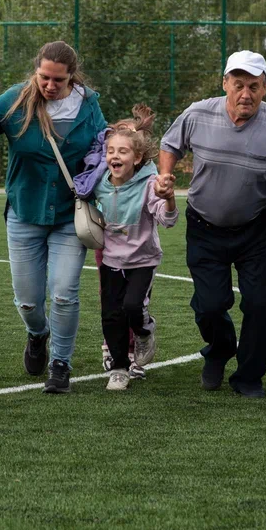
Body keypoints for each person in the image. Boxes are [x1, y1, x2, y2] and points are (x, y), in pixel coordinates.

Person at [160, 50, 266, 399]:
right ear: (225, 84)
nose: (245, 93)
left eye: (253, 86)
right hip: (203, 226)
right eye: (238, 85)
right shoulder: (198, 113)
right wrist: (165, 175)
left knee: (260, 305)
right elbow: (170, 144)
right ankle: (219, 350)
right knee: (210, 305)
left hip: (254, 229)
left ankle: (248, 377)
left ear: (264, 88)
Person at [0, 41, 106, 394]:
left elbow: (102, 148)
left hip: (70, 216)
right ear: (36, 71)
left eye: (59, 80)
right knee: (27, 301)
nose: (50, 85)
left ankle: (60, 364)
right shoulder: (13, 100)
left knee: (64, 293)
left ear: (72, 77)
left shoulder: (88, 104)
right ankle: (37, 334)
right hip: (24, 213)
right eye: (44, 77)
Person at [90, 106, 177, 391]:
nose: (115, 156)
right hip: (111, 260)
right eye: (110, 151)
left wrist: (169, 199)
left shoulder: (149, 184)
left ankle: (144, 330)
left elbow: (168, 220)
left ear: (137, 158)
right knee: (111, 314)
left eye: (123, 151)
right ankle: (118, 368)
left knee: (132, 306)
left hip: (143, 260)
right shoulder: (99, 185)